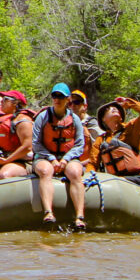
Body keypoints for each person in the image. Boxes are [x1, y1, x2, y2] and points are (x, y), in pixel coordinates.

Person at [33, 82, 88, 231]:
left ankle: (79, 216)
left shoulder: (75, 119)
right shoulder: (43, 117)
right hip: (45, 157)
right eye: (54, 96)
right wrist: (51, 159)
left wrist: (65, 159)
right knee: (45, 171)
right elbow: (36, 144)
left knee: (76, 172)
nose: (57, 99)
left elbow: (79, 145)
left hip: (67, 157)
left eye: (61, 97)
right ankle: (48, 212)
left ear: (67, 99)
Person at [96, 96, 140, 188]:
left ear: (121, 117)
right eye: (108, 109)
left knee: (114, 181)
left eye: (117, 108)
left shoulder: (131, 129)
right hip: (117, 182)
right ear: (103, 119)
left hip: (139, 178)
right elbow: (93, 162)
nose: (114, 108)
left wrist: (128, 103)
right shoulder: (101, 140)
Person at [70, 89, 103, 166]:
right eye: (70, 103)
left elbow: (99, 152)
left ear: (85, 106)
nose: (73, 105)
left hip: (87, 167)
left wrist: (79, 164)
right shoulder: (66, 123)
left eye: (77, 102)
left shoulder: (92, 124)